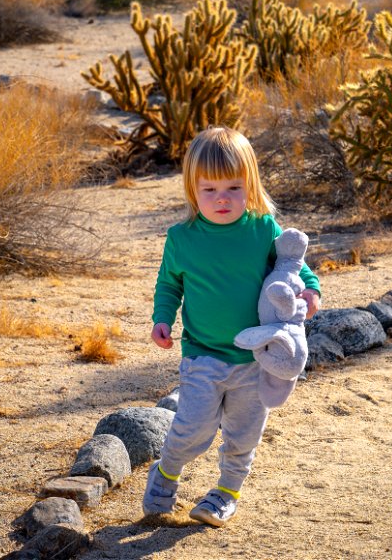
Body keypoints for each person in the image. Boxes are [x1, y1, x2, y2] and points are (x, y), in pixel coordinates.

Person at [143, 127, 321, 527]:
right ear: (192, 189)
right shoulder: (182, 238)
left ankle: (225, 493)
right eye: (209, 189)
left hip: (257, 359)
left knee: (243, 435)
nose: (221, 198)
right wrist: (161, 318)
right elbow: (169, 284)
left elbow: (294, 265)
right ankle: (166, 473)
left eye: (233, 187)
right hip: (203, 353)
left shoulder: (262, 229)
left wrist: (310, 291)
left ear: (251, 185)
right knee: (193, 429)